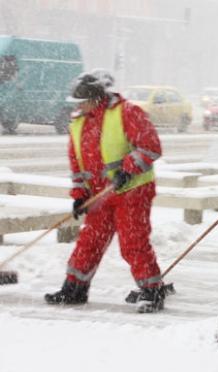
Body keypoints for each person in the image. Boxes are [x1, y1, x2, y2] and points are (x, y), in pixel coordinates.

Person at [44, 69, 165, 313]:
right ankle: (74, 289)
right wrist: (79, 196)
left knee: (133, 242)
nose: (80, 107)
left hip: (132, 190)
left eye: (84, 101)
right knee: (90, 241)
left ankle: (152, 291)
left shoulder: (127, 112)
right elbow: (77, 165)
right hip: (100, 194)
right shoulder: (78, 123)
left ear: (96, 97)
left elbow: (151, 145)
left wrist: (128, 170)